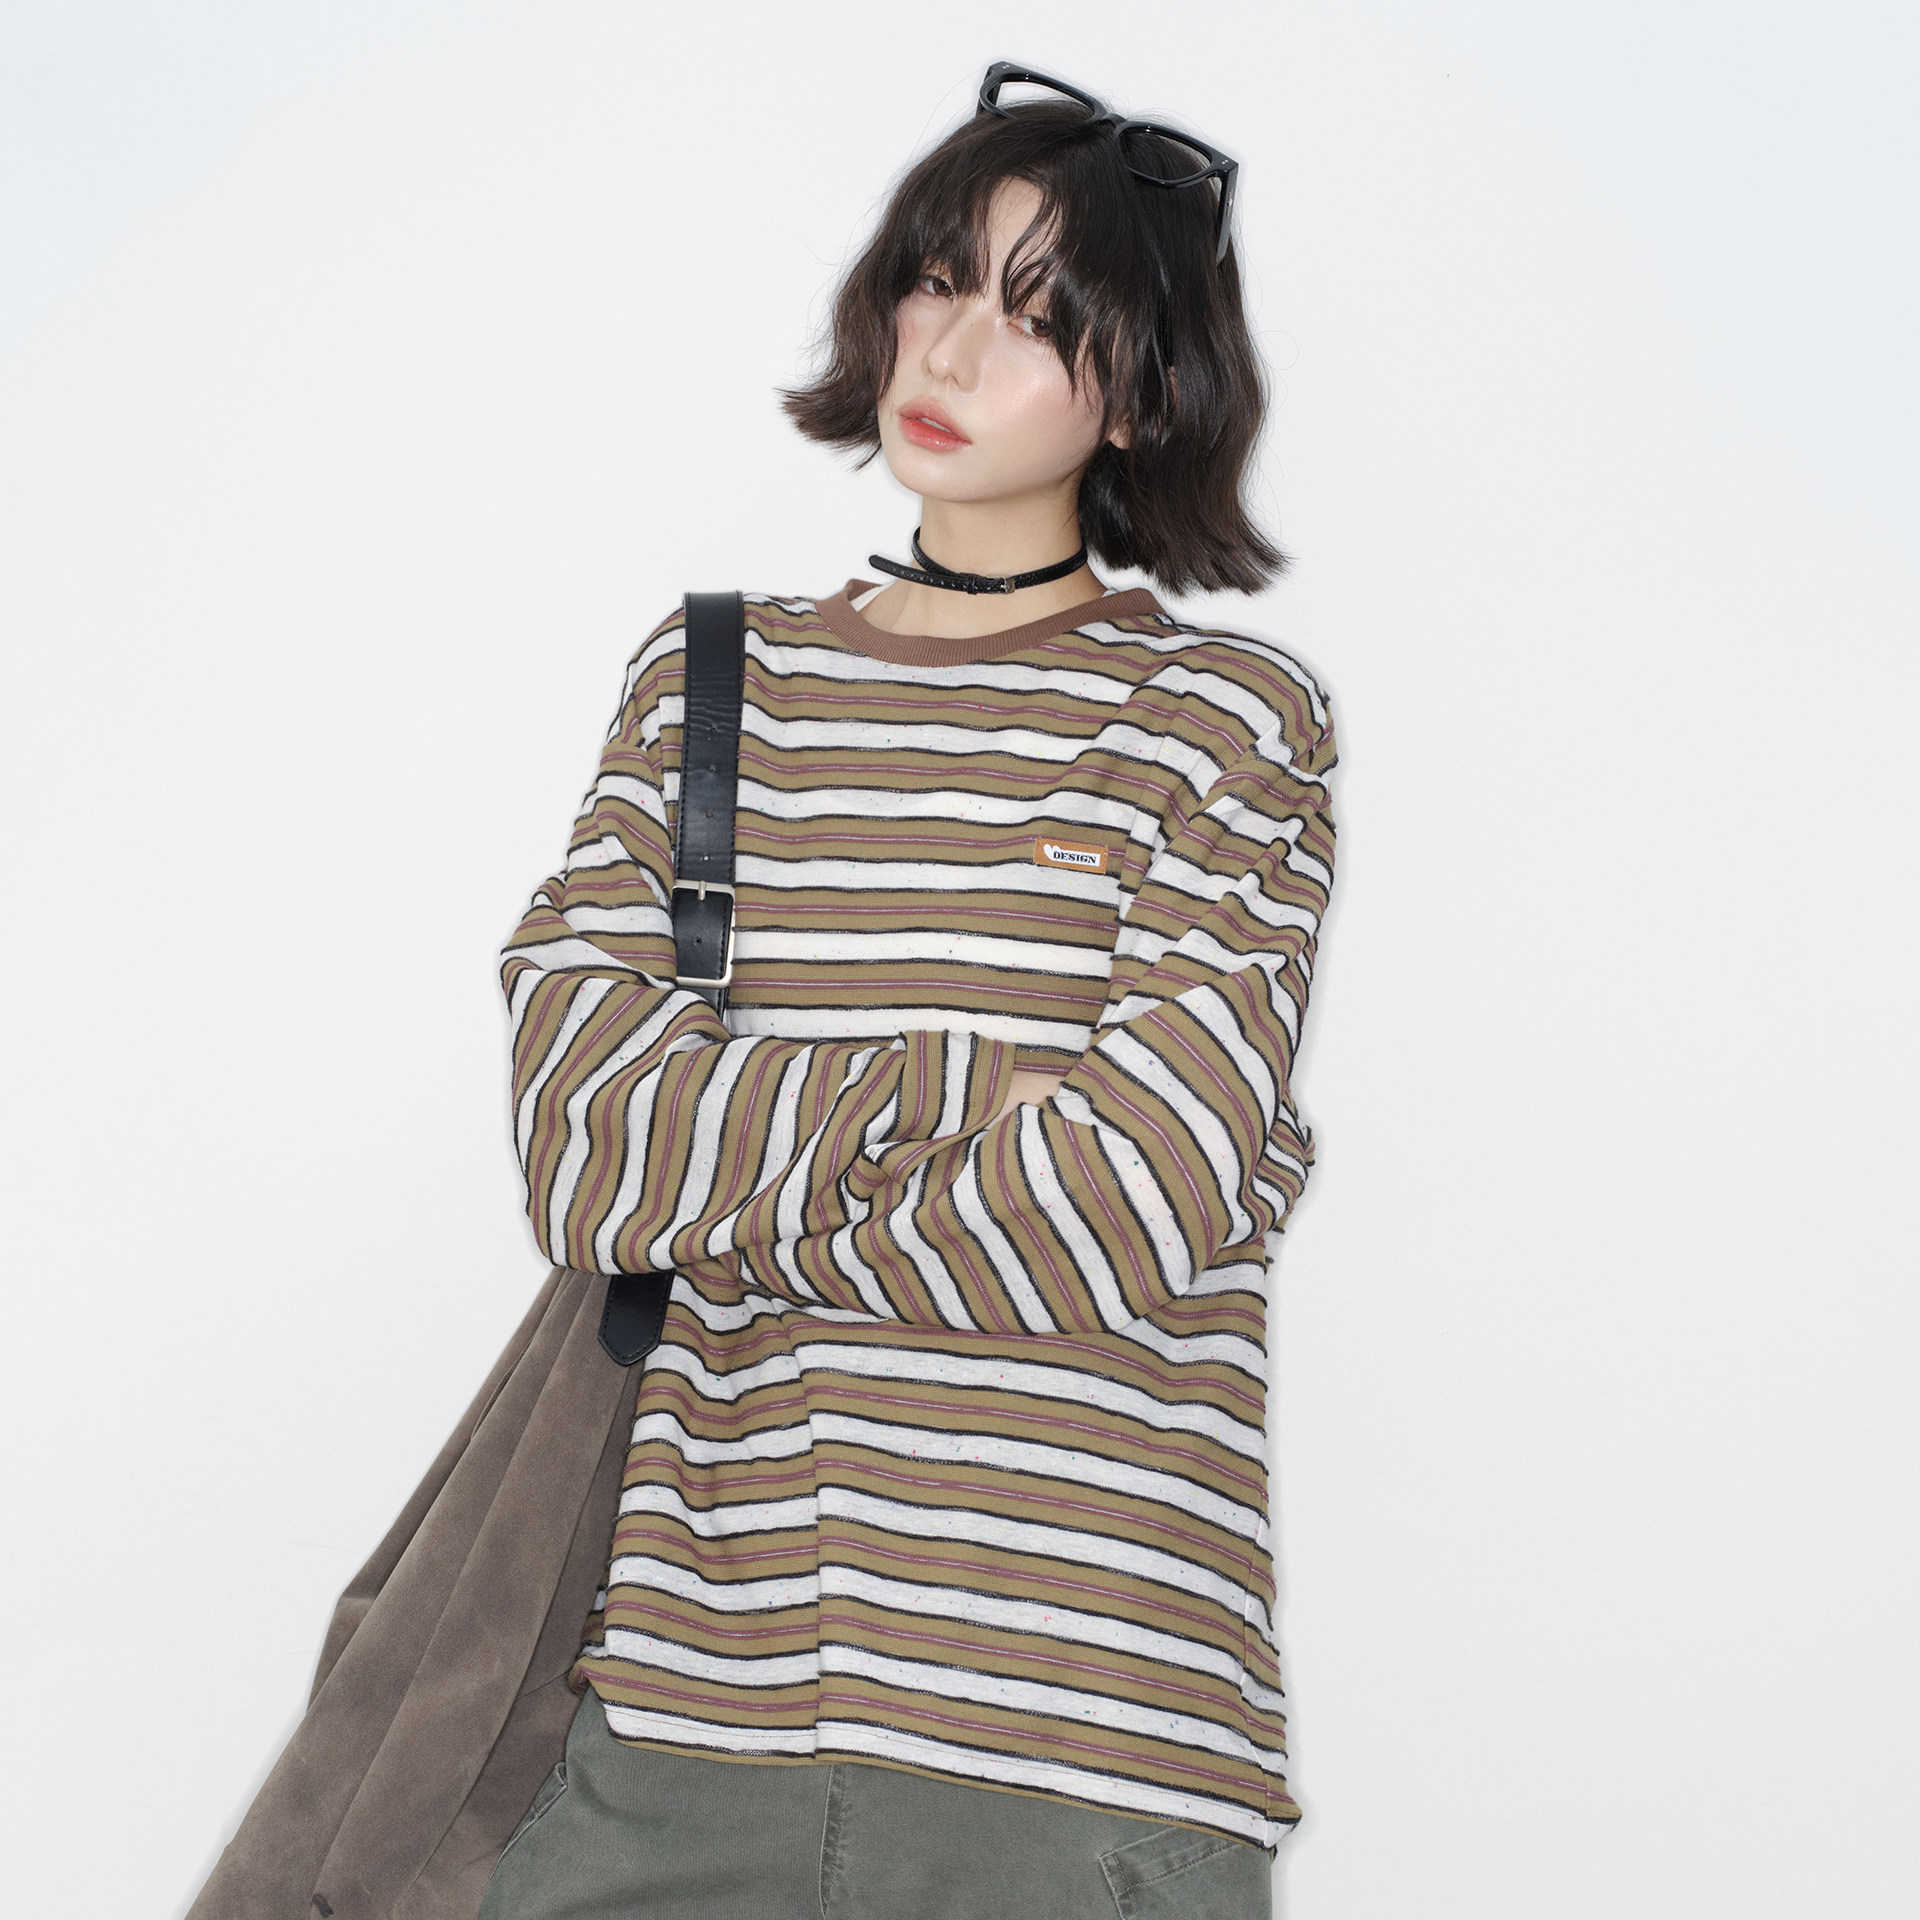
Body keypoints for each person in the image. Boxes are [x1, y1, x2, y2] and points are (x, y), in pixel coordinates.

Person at [478, 60, 1337, 1920]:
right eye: (938, 279)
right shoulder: (713, 690)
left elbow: (1123, 1210)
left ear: (1143, 390)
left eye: (1037, 316)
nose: (948, 350)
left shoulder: (1223, 723)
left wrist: (738, 1167)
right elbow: (584, 1149)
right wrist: (973, 1095)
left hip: (1090, 1740)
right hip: (681, 1727)